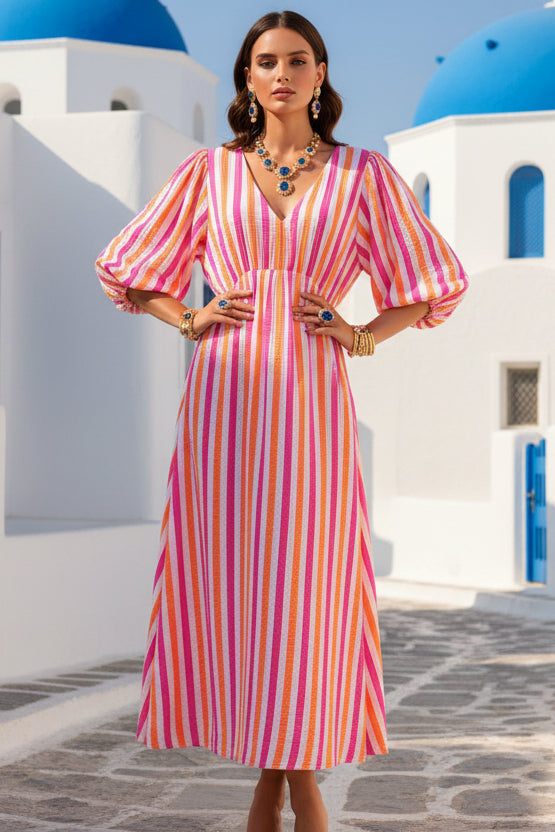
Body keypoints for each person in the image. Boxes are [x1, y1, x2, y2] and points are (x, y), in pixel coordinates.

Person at [95, 9, 469, 831]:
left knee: (309, 589)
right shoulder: (207, 173)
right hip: (225, 404)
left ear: (321, 73)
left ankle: (292, 774)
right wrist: (187, 319)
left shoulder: (363, 175)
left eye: (298, 60)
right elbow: (127, 266)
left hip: (310, 404)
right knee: (234, 586)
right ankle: (282, 770)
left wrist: (363, 332)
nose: (281, 74)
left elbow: (432, 278)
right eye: (265, 60)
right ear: (246, 77)